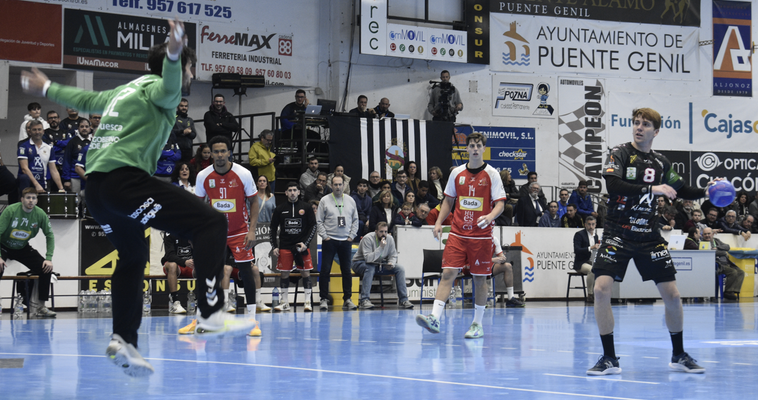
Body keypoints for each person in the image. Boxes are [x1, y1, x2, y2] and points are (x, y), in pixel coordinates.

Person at [22, 19, 256, 377]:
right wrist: (177, 52)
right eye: (191, 67)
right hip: (125, 182)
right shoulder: (162, 92)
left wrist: (48, 85)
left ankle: (123, 340)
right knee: (211, 220)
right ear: (176, 71)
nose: (192, 74)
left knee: (132, 256)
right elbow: (173, 78)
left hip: (97, 192)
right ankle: (210, 313)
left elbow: (83, 99)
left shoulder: (122, 92)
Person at [587, 107, 708, 376]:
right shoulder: (619, 153)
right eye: (636, 123)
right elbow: (613, 185)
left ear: (656, 131)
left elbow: (682, 189)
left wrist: (706, 191)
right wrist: (652, 189)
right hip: (617, 233)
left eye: (645, 124)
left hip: (649, 237)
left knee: (673, 296)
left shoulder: (661, 162)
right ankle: (609, 358)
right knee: (600, 290)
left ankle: (678, 354)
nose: (638, 127)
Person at [416, 132, 505, 339]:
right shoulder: (457, 173)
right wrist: (438, 222)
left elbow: (500, 203)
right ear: (467, 149)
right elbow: (448, 201)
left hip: (482, 237)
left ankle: (477, 324)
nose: (475, 148)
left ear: (483, 149)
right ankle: (434, 318)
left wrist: (490, 215)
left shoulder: (492, 174)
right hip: (457, 234)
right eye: (471, 145)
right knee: (448, 273)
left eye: (478, 145)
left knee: (479, 279)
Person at [194, 135, 266, 329]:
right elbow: (197, 206)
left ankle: (252, 319)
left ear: (229, 152)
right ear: (210, 154)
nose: (219, 155)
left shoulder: (243, 173)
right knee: (207, 273)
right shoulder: (203, 176)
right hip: (214, 233)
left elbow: (254, 202)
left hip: (239, 231)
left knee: (246, 271)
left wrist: (252, 231)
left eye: (222, 151)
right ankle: (202, 317)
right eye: (215, 151)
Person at [0, 187, 56, 318]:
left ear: (37, 200)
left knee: (45, 268)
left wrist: (48, 258)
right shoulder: (11, 210)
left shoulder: (40, 214)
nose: (31, 201)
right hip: (3, 245)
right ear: (22, 199)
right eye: (28, 198)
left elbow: (50, 236)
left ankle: (40, 307)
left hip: (22, 247)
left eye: (34, 198)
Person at [270, 182, 318, 312]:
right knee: (284, 274)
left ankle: (308, 302)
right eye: (289, 190)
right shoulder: (280, 208)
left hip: (301, 246)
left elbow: (313, 226)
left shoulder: (306, 207)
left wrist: (305, 243)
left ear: (298, 192)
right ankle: (285, 302)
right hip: (285, 246)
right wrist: (275, 246)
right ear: (286, 193)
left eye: (294, 190)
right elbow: (273, 228)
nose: (292, 192)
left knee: (305, 272)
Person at [316, 175, 359, 311]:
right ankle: (323, 299)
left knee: (346, 270)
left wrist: (351, 236)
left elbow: (355, 220)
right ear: (331, 185)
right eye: (335, 184)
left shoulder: (351, 200)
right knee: (325, 270)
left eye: (340, 184)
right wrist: (325, 236)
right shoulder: (324, 200)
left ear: (343, 185)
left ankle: (347, 299)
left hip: (345, 240)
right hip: (330, 241)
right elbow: (319, 221)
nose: (338, 187)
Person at [351, 222, 414, 309]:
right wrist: (381, 247)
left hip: (379, 263)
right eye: (381, 231)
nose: (384, 234)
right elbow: (368, 259)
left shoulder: (390, 239)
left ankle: (404, 300)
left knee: (400, 268)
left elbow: (393, 255)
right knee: (370, 268)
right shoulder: (367, 239)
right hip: (359, 263)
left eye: (386, 231)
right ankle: (364, 300)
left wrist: (391, 263)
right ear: (376, 231)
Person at [17, 120, 64, 193]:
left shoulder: (48, 148)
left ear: (43, 131)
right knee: (24, 177)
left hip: (43, 182)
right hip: (27, 184)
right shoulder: (23, 147)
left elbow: (53, 170)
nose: (37, 132)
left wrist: (61, 188)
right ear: (30, 132)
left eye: (39, 129)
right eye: (34, 130)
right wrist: (36, 185)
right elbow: (24, 169)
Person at [701, 227, 744, 301]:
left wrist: (717, 248)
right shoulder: (703, 243)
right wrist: (722, 251)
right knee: (733, 272)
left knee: (741, 272)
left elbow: (727, 247)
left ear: (712, 234)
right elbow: (713, 252)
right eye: (705, 234)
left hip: (727, 263)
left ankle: (732, 291)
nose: (707, 235)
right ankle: (728, 292)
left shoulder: (716, 241)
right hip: (718, 264)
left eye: (709, 233)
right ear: (702, 235)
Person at [161, 232, 193, 314]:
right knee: (172, 265)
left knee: (205, 266)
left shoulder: (194, 231)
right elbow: (170, 255)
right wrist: (184, 262)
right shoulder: (169, 232)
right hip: (177, 265)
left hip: (191, 264)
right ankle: (175, 302)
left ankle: (206, 301)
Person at [489, 234, 524, 307]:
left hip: (488, 266)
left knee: (508, 266)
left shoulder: (494, 239)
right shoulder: (477, 238)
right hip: (475, 266)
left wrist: (502, 259)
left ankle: (511, 298)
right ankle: (481, 301)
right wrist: (493, 259)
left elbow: (501, 255)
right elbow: (476, 259)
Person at [62, 118, 92, 193]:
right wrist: (67, 179)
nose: (84, 128)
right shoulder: (72, 142)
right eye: (82, 127)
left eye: (86, 126)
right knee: (76, 201)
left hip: (90, 177)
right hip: (75, 176)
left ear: (90, 128)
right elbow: (66, 160)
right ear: (78, 128)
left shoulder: (93, 142)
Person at [573, 216, 599, 301]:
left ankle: (598, 293)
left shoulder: (596, 236)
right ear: (585, 224)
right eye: (589, 224)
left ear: (595, 225)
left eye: (593, 224)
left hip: (592, 261)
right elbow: (577, 250)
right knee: (592, 270)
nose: (591, 226)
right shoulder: (579, 235)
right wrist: (590, 248)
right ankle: (590, 294)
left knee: (600, 270)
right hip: (581, 262)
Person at [248, 129, 277, 194]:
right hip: (261, 180)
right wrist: (267, 161)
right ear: (262, 138)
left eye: (271, 140)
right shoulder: (255, 147)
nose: (269, 142)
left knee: (270, 199)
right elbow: (252, 161)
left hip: (272, 178)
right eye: (268, 140)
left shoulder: (269, 147)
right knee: (260, 199)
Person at [171, 98, 197, 162]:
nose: (184, 108)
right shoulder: (173, 118)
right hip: (176, 149)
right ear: (177, 106)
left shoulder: (190, 120)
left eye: (186, 106)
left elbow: (194, 135)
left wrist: (189, 132)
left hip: (188, 149)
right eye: (181, 106)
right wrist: (183, 132)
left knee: (188, 167)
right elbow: (171, 132)